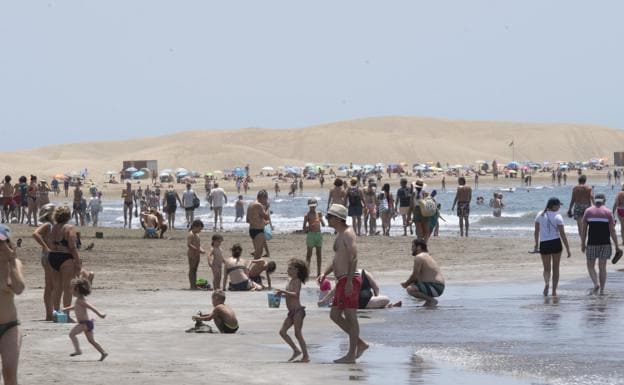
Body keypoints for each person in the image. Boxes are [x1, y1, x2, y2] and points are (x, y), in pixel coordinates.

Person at [318, 204, 368, 363]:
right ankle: (360, 343)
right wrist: (325, 273)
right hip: (342, 280)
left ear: (338, 218)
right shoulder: (339, 234)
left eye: (329, 217)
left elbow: (354, 257)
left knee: (351, 317)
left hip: (349, 279)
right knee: (334, 315)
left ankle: (351, 355)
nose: (328, 220)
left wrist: (349, 283)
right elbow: (337, 260)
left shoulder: (348, 233)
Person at [581, 193, 621, 295]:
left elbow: (584, 229)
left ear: (595, 200)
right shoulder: (608, 212)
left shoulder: (588, 211)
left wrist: (582, 243)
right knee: (602, 267)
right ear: (604, 201)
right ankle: (602, 289)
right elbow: (612, 231)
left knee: (590, 266)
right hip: (605, 243)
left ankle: (596, 284)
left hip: (592, 243)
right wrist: (616, 245)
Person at [45, 206, 81, 317]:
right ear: (68, 216)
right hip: (65, 258)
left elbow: (50, 243)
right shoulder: (69, 228)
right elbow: (72, 246)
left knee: (57, 287)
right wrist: (78, 261)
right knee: (67, 288)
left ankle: (56, 314)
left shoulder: (53, 227)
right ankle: (66, 315)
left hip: (53, 257)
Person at [0, 224, 25, 385]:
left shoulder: (15, 263)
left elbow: (19, 288)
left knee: (9, 372)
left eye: (2, 242)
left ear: (9, 244)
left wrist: (10, 261)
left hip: (10, 326)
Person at [533, 197, 571, 296]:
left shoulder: (540, 215)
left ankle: (546, 284)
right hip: (555, 243)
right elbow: (562, 234)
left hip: (544, 243)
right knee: (556, 268)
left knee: (546, 268)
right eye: (558, 205)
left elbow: (536, 231)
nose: (559, 207)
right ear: (554, 206)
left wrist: (536, 245)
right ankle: (554, 291)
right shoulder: (558, 216)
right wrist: (567, 248)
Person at [276, 258, 310, 363]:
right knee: (282, 332)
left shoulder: (297, 281)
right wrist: (281, 295)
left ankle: (306, 356)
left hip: (298, 311)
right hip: (291, 312)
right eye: (288, 268)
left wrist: (283, 291)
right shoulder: (289, 280)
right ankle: (296, 350)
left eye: (291, 268)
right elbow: (288, 295)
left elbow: (295, 294)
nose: (288, 270)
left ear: (297, 271)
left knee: (297, 333)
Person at [65, 278, 107, 361]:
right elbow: (76, 307)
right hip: (88, 324)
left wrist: (100, 314)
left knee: (71, 334)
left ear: (77, 290)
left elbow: (91, 307)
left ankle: (78, 350)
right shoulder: (79, 300)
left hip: (83, 324)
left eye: (72, 289)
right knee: (91, 341)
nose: (71, 291)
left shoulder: (80, 300)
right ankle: (103, 352)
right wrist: (66, 308)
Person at [401, 239, 445, 307]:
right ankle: (428, 303)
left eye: (413, 246)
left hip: (435, 287)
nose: (411, 249)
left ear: (418, 247)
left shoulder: (419, 257)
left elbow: (414, 276)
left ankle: (431, 300)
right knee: (414, 284)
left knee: (410, 289)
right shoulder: (427, 256)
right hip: (438, 286)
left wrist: (405, 284)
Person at [31, 204, 57, 320]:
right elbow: (35, 234)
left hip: (52, 256)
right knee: (49, 285)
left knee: (53, 285)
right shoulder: (47, 225)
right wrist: (45, 246)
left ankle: (52, 312)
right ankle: (49, 314)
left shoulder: (53, 225)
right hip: (48, 256)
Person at [303, 198, 325, 277]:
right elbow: (304, 229)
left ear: (316, 205)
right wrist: (310, 226)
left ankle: (319, 273)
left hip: (318, 235)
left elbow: (323, 225)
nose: (313, 208)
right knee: (309, 255)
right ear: (308, 206)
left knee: (319, 255)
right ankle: (307, 271)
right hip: (311, 235)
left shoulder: (318, 213)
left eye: (314, 206)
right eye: (311, 206)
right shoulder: (307, 215)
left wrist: (321, 219)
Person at [246, 190, 270, 260]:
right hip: (258, 230)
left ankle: (253, 268)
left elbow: (248, 220)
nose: (266, 201)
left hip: (252, 230)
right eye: (266, 199)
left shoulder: (251, 204)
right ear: (262, 198)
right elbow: (266, 216)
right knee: (258, 253)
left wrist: (262, 222)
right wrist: (267, 207)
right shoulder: (259, 205)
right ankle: (250, 268)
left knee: (258, 252)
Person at [187, 219, 205, 290]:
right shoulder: (191, 234)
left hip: (197, 254)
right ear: (194, 226)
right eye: (199, 228)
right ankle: (192, 285)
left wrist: (201, 249)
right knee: (192, 269)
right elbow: (189, 244)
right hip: (192, 254)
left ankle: (194, 284)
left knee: (195, 269)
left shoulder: (197, 235)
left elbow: (198, 244)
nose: (200, 230)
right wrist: (196, 249)